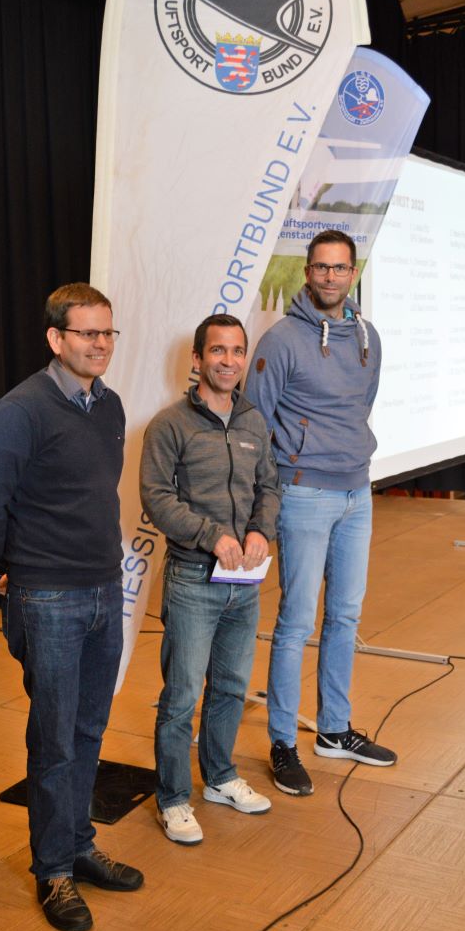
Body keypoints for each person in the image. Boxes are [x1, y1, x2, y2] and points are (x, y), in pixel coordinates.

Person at [0, 283, 142, 931]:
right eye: (86, 333)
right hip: (48, 598)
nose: (100, 344)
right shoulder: (23, 410)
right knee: (55, 741)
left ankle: (78, 844)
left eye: (107, 332)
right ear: (55, 338)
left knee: (90, 732)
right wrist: (24, 565)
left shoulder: (109, 405)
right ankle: (53, 871)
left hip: (104, 590)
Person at [244, 229, 397, 798]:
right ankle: (283, 742)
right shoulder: (281, 339)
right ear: (307, 273)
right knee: (296, 623)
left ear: (353, 273)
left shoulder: (368, 337)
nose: (331, 277)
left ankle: (334, 729)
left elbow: (361, 406)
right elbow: (254, 420)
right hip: (304, 493)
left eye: (340, 268)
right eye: (321, 267)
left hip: (357, 492)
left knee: (346, 617)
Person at [140, 314, 281, 844]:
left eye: (237, 351)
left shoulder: (253, 421)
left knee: (231, 687)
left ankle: (220, 777)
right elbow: (156, 497)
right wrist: (211, 535)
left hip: (244, 582)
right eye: (218, 350)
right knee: (180, 697)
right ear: (197, 359)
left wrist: (261, 529)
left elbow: (269, 487)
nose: (229, 360)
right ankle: (174, 798)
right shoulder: (170, 425)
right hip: (193, 580)